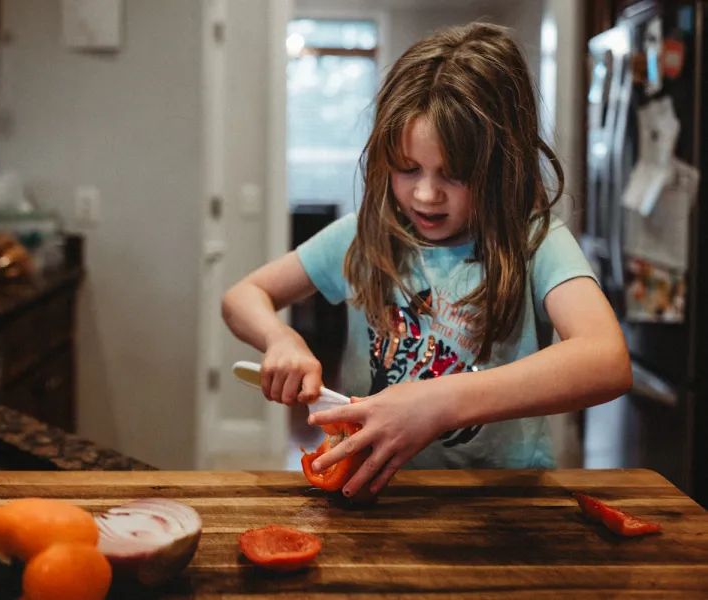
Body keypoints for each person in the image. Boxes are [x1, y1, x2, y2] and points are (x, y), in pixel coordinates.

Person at [221, 23, 631, 498]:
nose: (425, 194)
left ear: (504, 167)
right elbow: (242, 296)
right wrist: (280, 338)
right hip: (376, 490)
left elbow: (607, 360)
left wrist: (439, 402)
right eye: (407, 168)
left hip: (501, 501)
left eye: (455, 175)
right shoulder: (362, 235)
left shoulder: (535, 240)